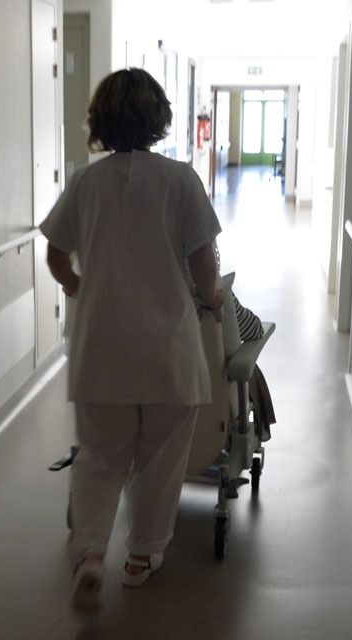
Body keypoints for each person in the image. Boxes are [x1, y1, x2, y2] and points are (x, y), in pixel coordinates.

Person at [40, 68, 222, 611]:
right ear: (158, 119)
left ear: (100, 119)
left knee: (99, 456)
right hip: (168, 347)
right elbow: (203, 261)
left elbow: (55, 254)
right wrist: (210, 294)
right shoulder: (181, 179)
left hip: (101, 347)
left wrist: (81, 287)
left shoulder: (85, 182)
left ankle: (91, 553)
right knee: (162, 459)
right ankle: (141, 557)